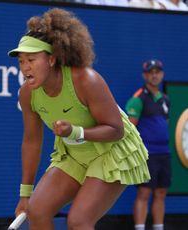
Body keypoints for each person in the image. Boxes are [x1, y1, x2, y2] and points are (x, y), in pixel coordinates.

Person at [8, 8, 150, 230]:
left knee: (79, 221)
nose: (25, 67)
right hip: (75, 154)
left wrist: (75, 132)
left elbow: (116, 130)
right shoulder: (27, 93)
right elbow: (31, 141)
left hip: (112, 152)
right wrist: (25, 194)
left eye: (32, 60)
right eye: (21, 61)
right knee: (36, 210)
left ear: (52, 59)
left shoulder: (86, 80)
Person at [125, 60, 171, 230]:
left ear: (162, 74)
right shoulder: (138, 99)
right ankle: (139, 227)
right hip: (147, 154)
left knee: (161, 192)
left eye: (158, 71)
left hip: (164, 154)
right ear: (145, 75)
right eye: (151, 72)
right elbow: (129, 130)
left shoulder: (165, 99)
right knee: (144, 192)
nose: (154, 75)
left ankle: (159, 227)